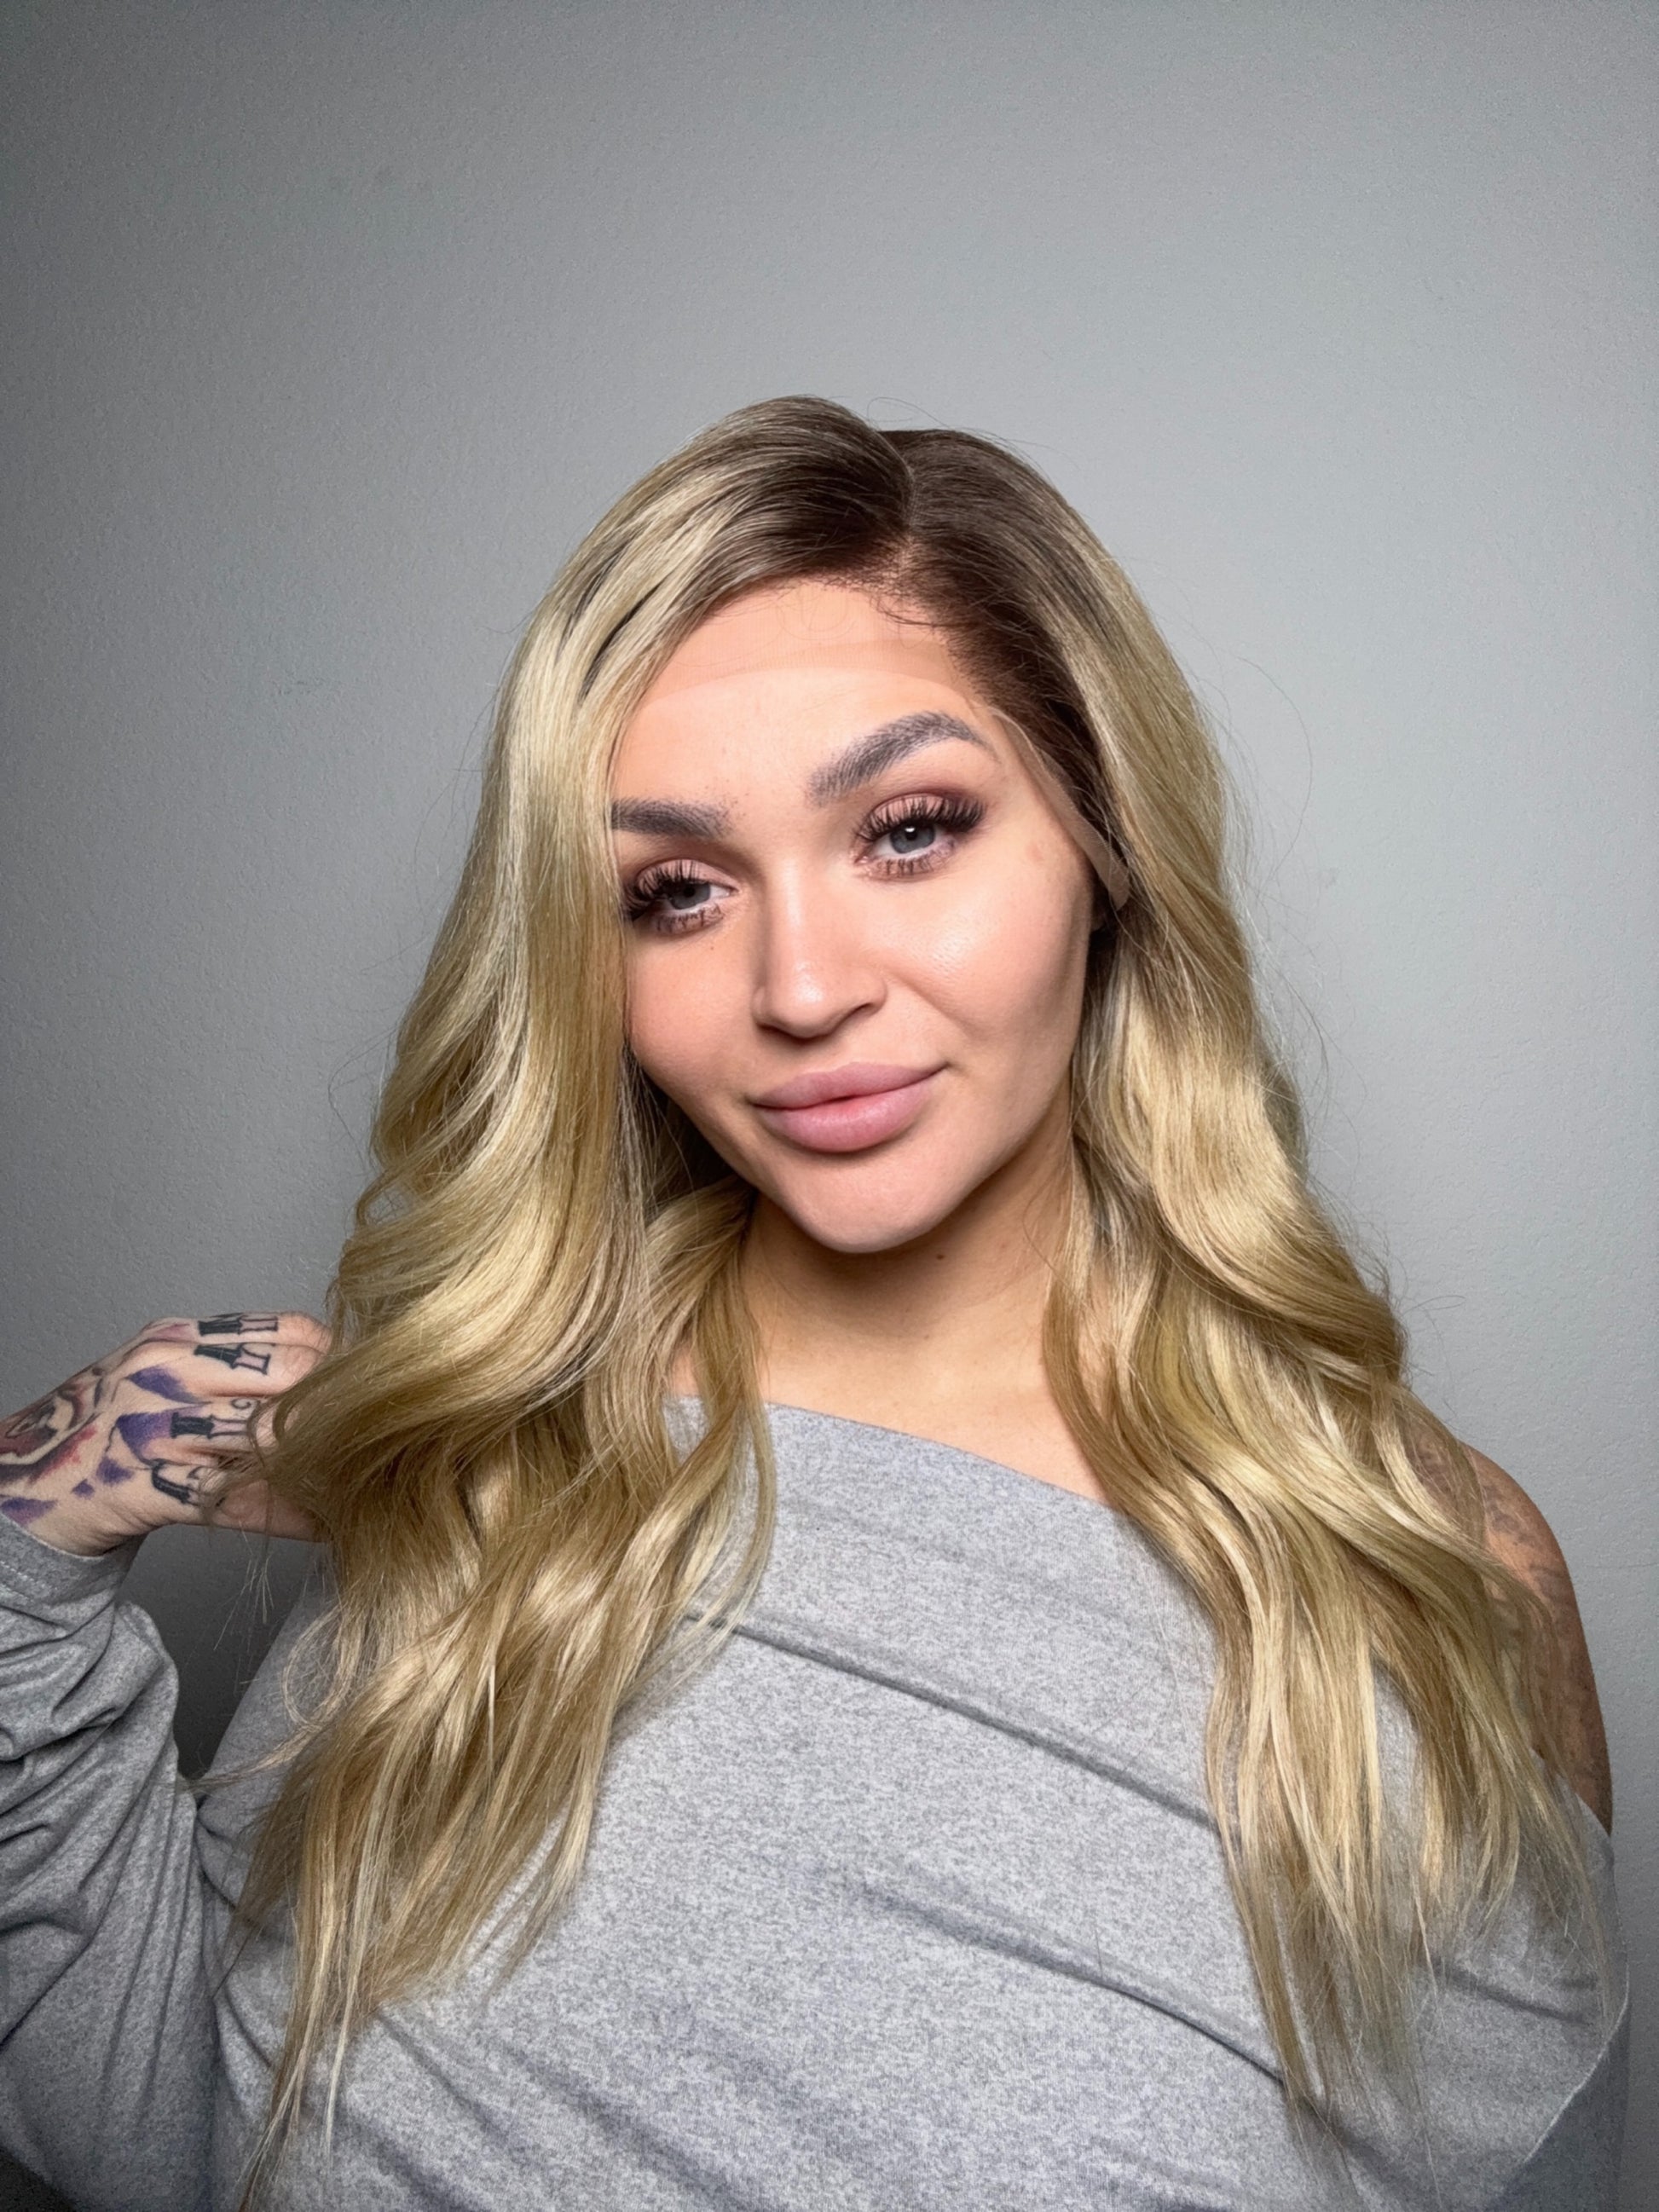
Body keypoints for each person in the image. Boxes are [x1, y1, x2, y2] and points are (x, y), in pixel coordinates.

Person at [0, 396, 1625, 2212]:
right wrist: (31, 1548)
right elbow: (180, 2129)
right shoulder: (518, 1447)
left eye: (910, 830)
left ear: (1105, 841)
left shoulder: (1430, 1566)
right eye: (675, 891)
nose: (797, 985)